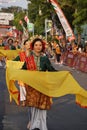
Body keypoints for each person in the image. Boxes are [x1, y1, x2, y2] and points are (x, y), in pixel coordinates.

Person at [22, 37, 56, 130]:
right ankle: (33, 124)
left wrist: (63, 74)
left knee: (42, 107)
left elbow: (51, 70)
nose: (38, 47)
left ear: (42, 46)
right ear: (33, 46)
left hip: (42, 85)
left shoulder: (45, 59)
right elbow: (23, 70)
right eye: (36, 45)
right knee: (33, 106)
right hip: (32, 86)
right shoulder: (29, 59)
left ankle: (42, 126)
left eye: (40, 45)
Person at [13, 39, 31, 106]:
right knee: (22, 88)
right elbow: (14, 61)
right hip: (23, 74)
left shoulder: (34, 53)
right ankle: (24, 101)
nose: (28, 45)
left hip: (31, 74)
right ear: (24, 45)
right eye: (27, 44)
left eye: (29, 44)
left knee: (30, 88)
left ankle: (30, 100)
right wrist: (9, 63)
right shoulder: (21, 55)